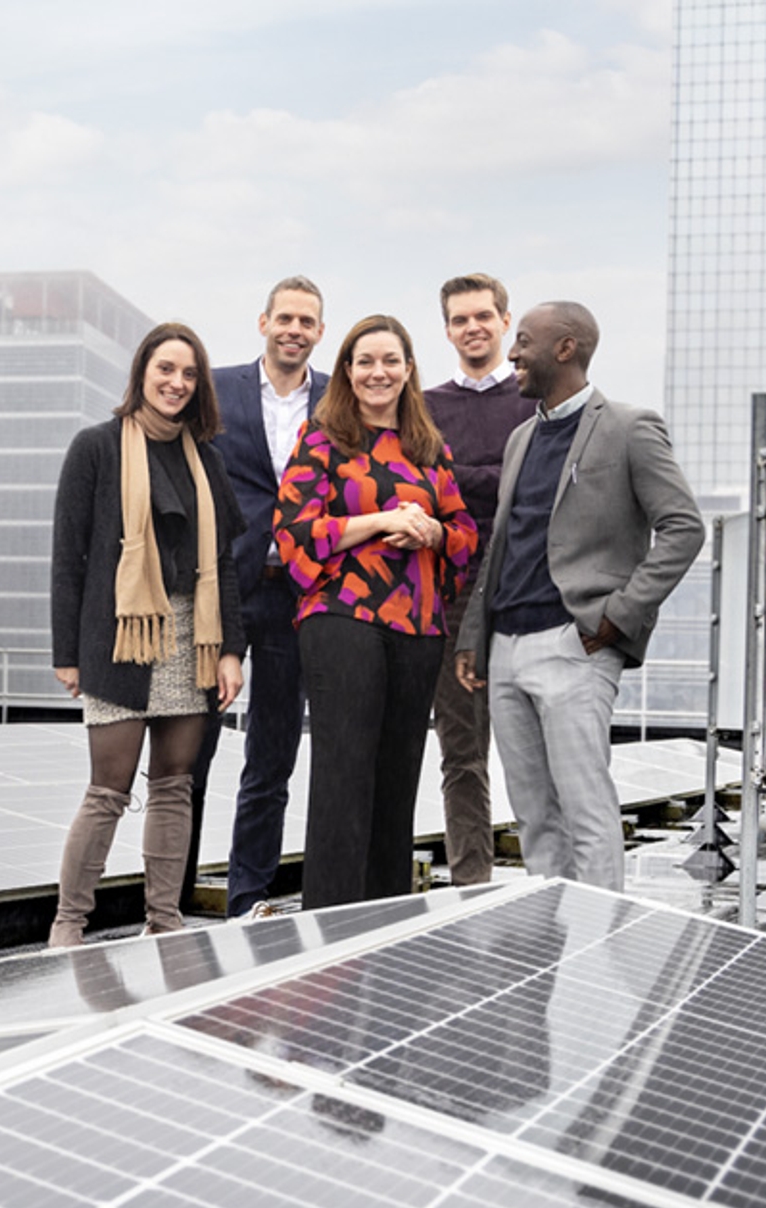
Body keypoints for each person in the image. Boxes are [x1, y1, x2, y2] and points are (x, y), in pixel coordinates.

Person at [455, 302, 703, 890]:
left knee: (586, 810)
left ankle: (600, 933)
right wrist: (474, 635)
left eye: (524, 341)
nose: (514, 353)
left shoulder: (629, 427)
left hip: (576, 643)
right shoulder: (521, 438)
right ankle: (555, 933)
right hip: (505, 648)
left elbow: (683, 527)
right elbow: (503, 543)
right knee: (534, 817)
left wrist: (619, 617)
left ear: (565, 348)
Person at [49, 321, 247, 945]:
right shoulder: (96, 447)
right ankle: (68, 923)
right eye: (166, 369)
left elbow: (226, 563)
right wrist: (66, 654)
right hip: (119, 636)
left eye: (189, 374)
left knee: (174, 786)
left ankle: (164, 921)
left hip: (193, 633)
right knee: (107, 789)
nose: (176, 383)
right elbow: (69, 555)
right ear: (142, 373)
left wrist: (231, 651)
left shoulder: (206, 459)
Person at [274, 315, 477, 910]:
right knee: (343, 776)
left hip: (419, 629)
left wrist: (432, 531)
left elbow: (465, 534)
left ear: (408, 370)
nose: (378, 372)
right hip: (343, 619)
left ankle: (386, 923)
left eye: (390, 361)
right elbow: (293, 532)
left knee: (398, 782)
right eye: (365, 361)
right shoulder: (322, 439)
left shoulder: (430, 448)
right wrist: (383, 520)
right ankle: (329, 926)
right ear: (347, 370)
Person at [209, 277, 330, 917]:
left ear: (320, 332)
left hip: (298, 592)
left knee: (273, 754)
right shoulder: (217, 389)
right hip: (225, 586)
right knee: (190, 751)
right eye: (285, 318)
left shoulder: (338, 397)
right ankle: (166, 906)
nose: (294, 330)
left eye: (306, 322)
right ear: (264, 322)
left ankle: (247, 897)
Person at [423, 273, 531, 885]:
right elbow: (427, 486)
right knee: (461, 752)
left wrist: (461, 476)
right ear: (447, 330)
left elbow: (535, 486)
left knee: (534, 750)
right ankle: (472, 885)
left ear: (505, 321)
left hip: (526, 587)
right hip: (455, 591)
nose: (473, 328)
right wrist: (497, 476)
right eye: (460, 319)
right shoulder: (427, 407)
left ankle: (549, 880)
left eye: (483, 316)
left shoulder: (534, 399)